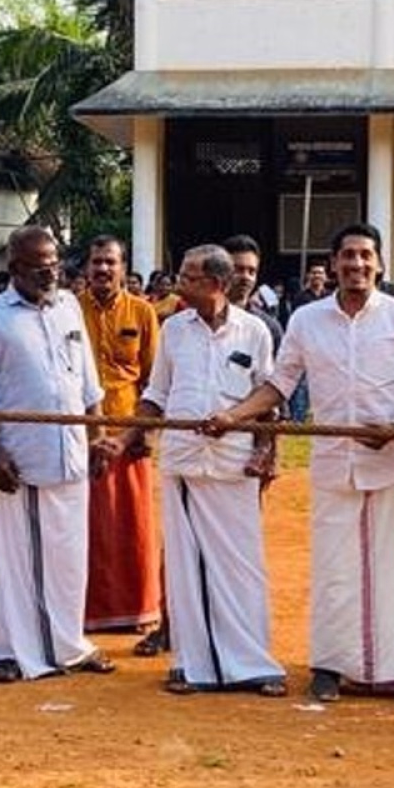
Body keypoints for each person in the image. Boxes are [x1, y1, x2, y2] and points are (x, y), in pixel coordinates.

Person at [211, 224, 394, 705]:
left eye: (365, 256)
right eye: (348, 256)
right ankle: (329, 667)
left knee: (390, 569)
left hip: (388, 464)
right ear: (333, 262)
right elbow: (280, 384)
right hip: (334, 464)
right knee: (334, 569)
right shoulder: (307, 321)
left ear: (379, 262)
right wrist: (232, 416)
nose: (357, 265)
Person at [106, 244, 283, 696]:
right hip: (185, 461)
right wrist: (124, 438)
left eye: (188, 278)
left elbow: (270, 398)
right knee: (187, 567)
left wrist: (265, 449)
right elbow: (156, 395)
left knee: (241, 566)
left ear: (217, 285)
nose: (176, 285)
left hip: (234, 465)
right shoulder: (174, 330)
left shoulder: (255, 332)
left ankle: (252, 664)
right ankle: (193, 665)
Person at [0, 226, 112, 683]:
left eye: (54, 264)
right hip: (22, 458)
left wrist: (98, 438)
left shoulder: (68, 307)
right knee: (19, 559)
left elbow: (89, 386)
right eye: (38, 266)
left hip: (71, 456)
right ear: (14, 270)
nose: (50, 273)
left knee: (69, 558)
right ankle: (7, 650)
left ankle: (69, 646)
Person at [76, 236, 164, 644]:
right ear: (86, 268)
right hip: (78, 436)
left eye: (110, 262)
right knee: (86, 527)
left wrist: (143, 435)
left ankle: (138, 610)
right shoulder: (68, 310)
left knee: (135, 529)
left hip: (128, 437)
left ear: (124, 267)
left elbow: (155, 381)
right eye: (96, 262)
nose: (103, 270)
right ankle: (85, 610)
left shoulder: (143, 312)